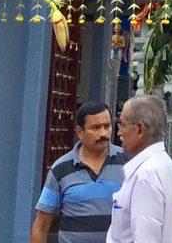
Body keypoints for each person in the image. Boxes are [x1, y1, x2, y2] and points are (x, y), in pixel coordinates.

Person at [33, 101, 126, 243]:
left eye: (107, 126)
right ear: (80, 132)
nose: (103, 133)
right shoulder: (61, 169)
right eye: (95, 128)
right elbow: (41, 225)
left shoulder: (128, 163)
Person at [109, 96, 172, 243]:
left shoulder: (146, 175)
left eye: (122, 125)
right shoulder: (168, 167)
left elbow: (146, 237)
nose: (119, 133)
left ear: (140, 129)